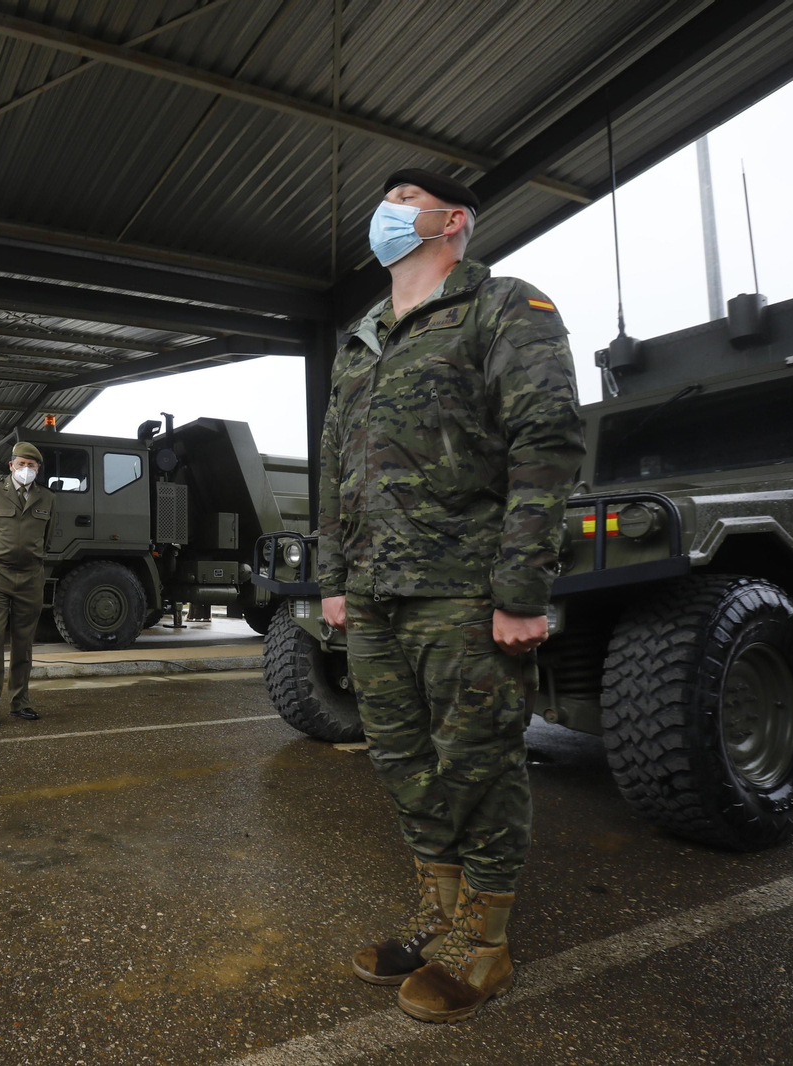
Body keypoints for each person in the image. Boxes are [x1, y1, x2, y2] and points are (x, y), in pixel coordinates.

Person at [319, 170, 584, 1023]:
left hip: (463, 590)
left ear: (450, 220)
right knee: (401, 759)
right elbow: (335, 469)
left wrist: (519, 588)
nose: (387, 211)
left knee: (478, 759)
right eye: (385, 199)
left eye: (402, 197)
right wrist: (333, 579)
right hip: (373, 594)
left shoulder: (504, 306)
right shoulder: (359, 339)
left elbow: (544, 441)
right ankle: (439, 912)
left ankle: (488, 944)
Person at [0, 442, 54, 728]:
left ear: (38, 469)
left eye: (32, 466)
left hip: (31, 577)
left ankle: (20, 703)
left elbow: (49, 538)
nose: (26, 470)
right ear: (11, 466)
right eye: (22, 464)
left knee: (24, 643)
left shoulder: (47, 498)